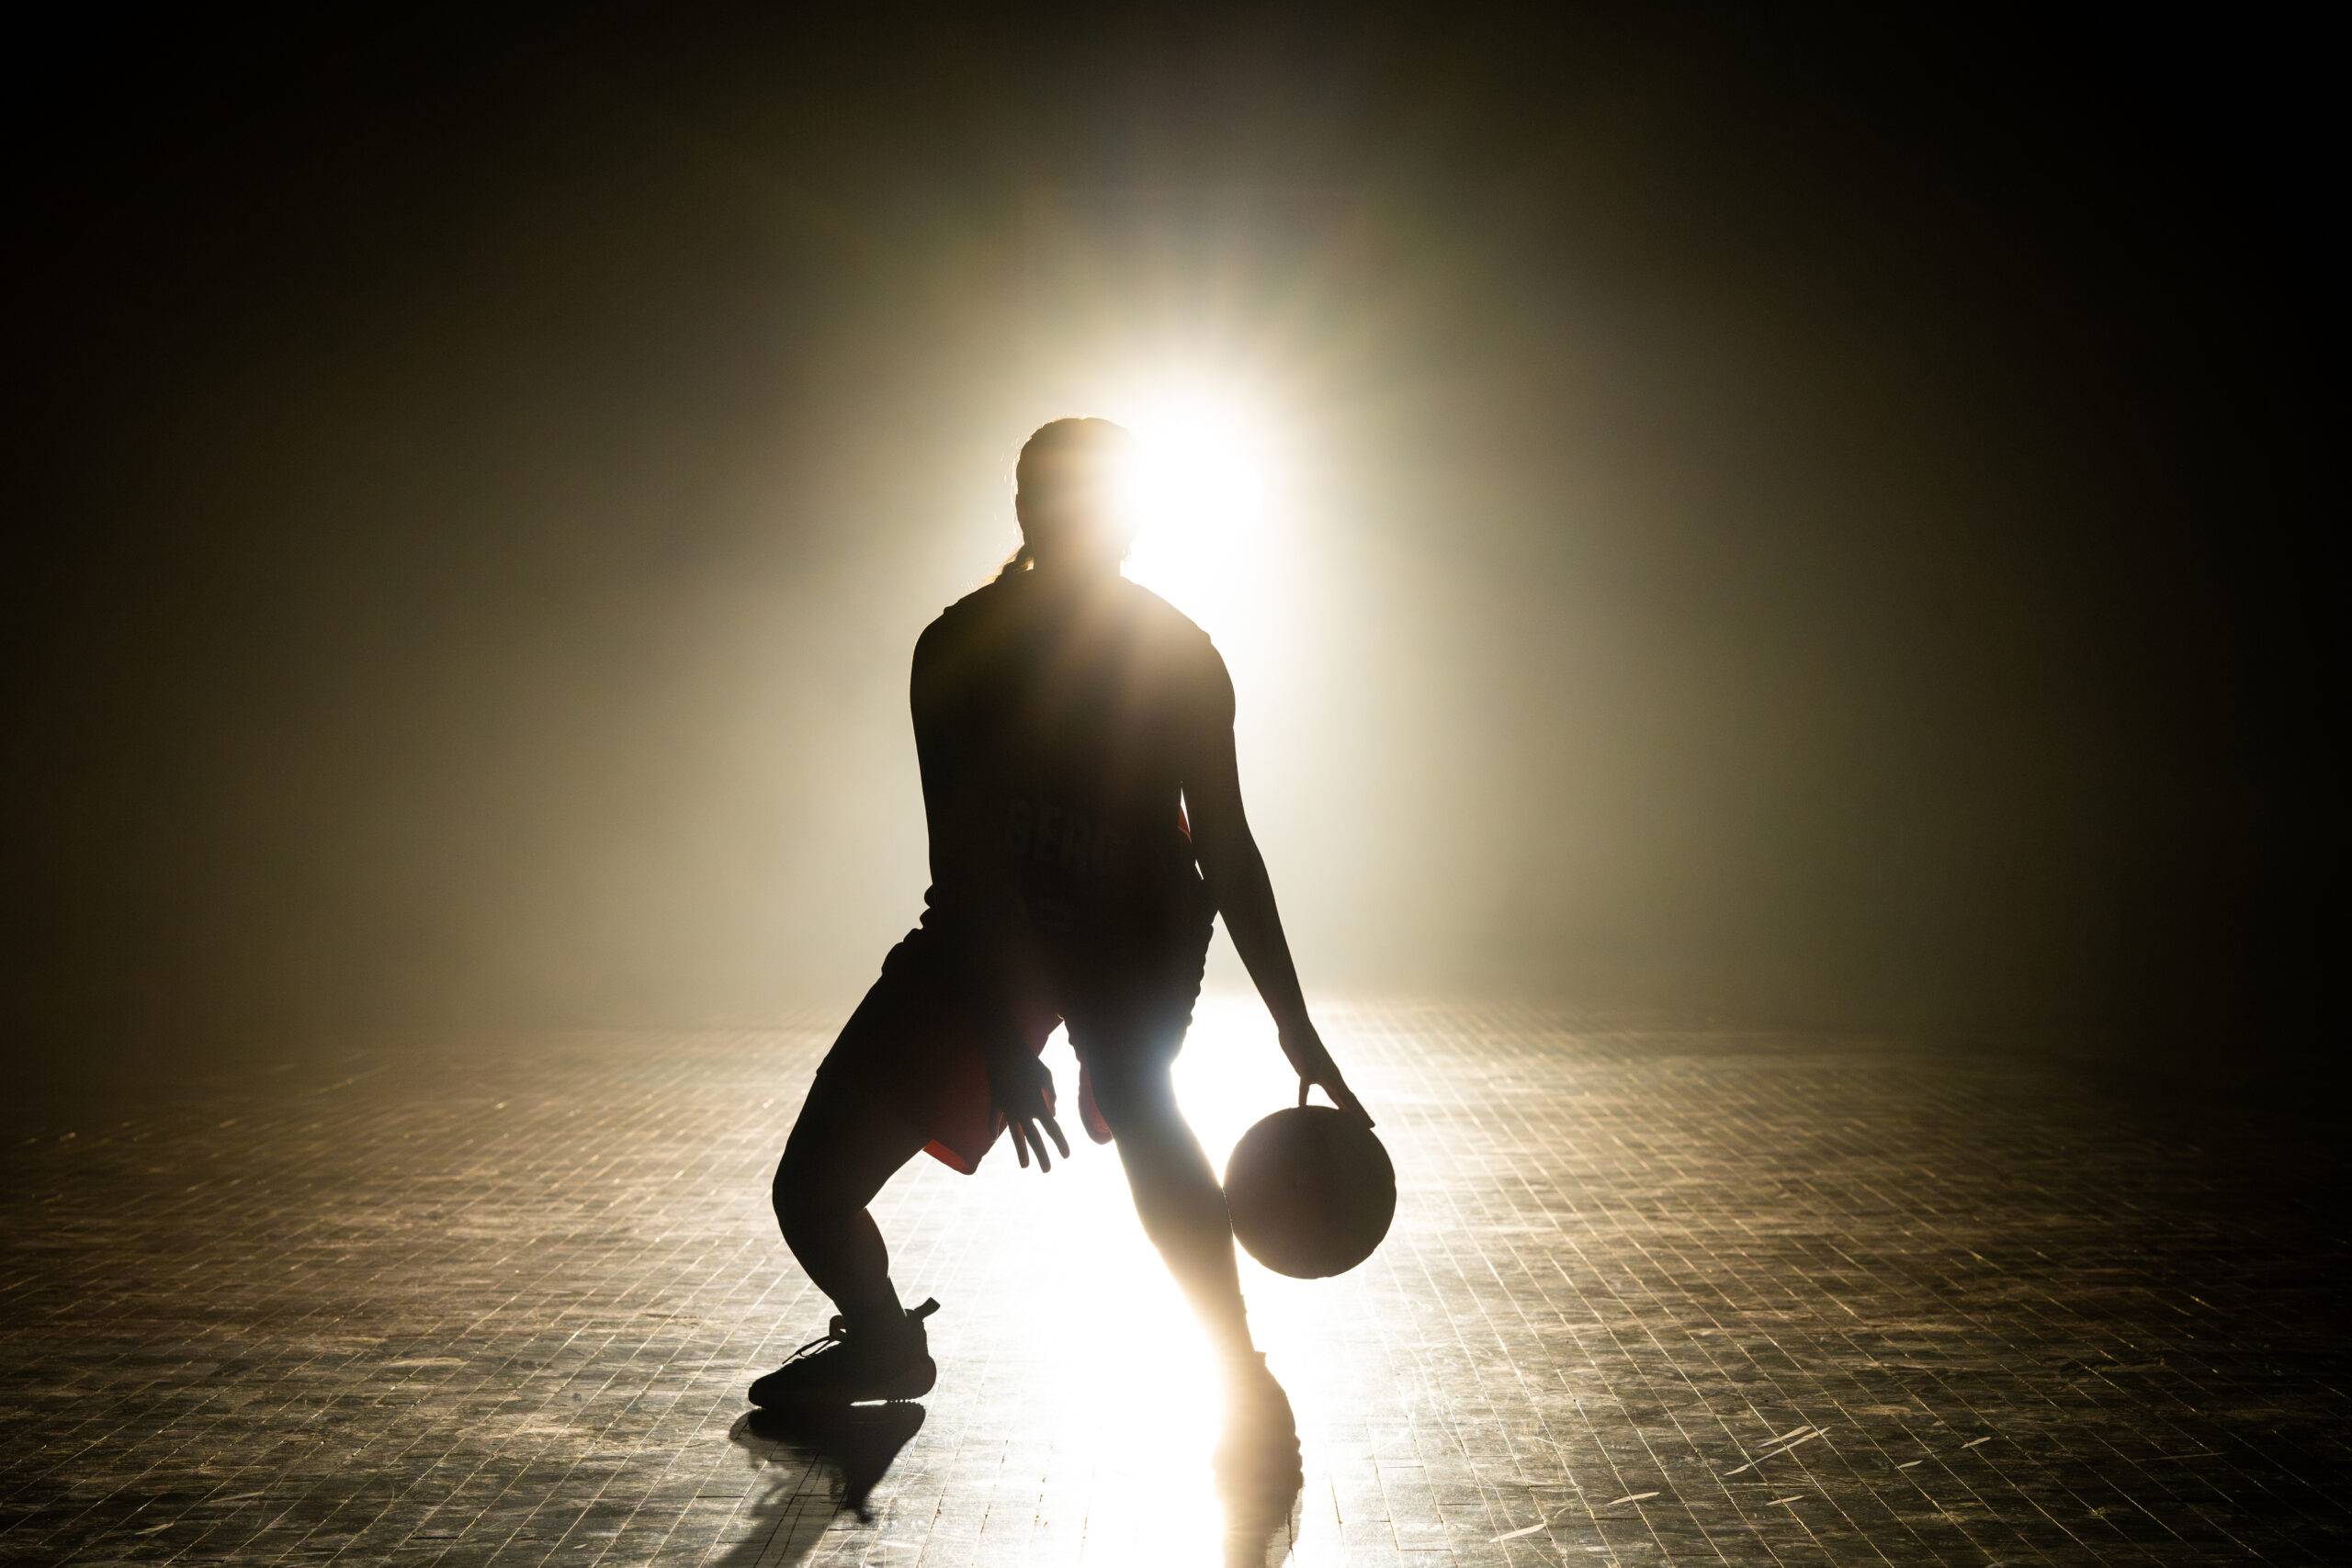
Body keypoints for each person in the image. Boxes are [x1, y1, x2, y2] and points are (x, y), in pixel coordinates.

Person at [752, 416, 1370, 1464]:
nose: (1082, 523)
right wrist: (999, 1034)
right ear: (1027, 514)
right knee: (807, 1194)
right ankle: (884, 1342)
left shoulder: (1177, 656)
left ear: (1126, 521)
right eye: (1063, 503)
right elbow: (968, 865)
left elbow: (1226, 849)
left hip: (1134, 929)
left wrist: (1294, 1025)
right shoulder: (959, 649)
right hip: (993, 926)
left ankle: (1236, 1365)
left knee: (1139, 1111)